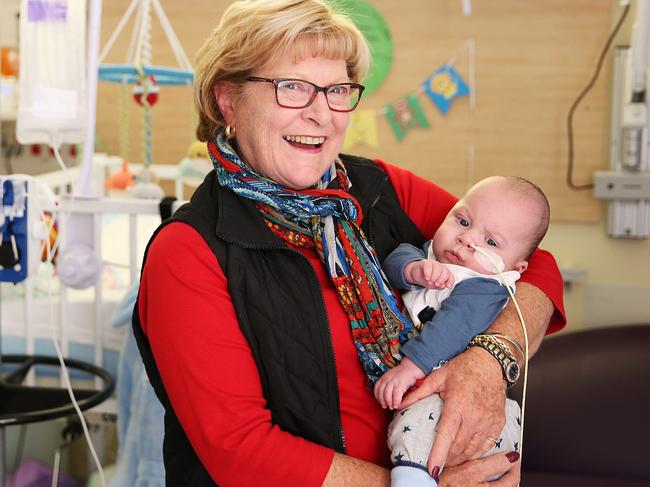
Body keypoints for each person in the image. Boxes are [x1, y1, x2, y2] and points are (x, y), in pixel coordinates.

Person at [132, 1, 566, 485]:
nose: (322, 114)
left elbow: (534, 267)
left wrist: (489, 358)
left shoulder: (379, 189)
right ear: (227, 100)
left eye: (337, 90)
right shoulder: (189, 251)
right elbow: (240, 451)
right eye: (292, 86)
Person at [374, 176, 550, 486]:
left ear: (515, 267)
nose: (467, 240)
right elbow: (395, 257)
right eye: (463, 220)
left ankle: (414, 477)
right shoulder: (430, 253)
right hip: (423, 377)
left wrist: (409, 368)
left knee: (425, 424)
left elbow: (451, 328)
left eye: (491, 242)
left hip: (444, 381)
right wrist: (412, 268)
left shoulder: (485, 286)